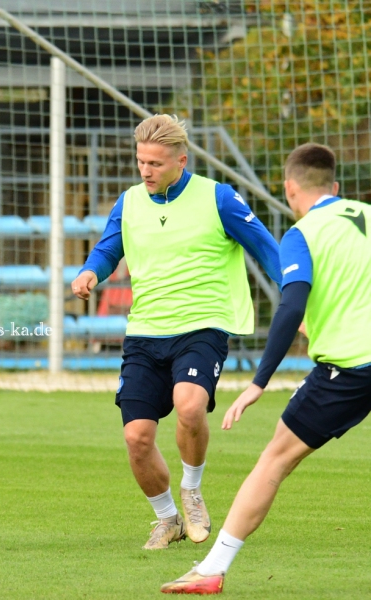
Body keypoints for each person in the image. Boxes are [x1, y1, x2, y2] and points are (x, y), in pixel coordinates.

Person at [162, 143, 371, 594]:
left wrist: (259, 381)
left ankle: (212, 569)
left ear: (289, 187)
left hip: (351, 368)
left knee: (275, 459)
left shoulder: (303, 232)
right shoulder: (367, 217)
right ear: (335, 186)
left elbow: (292, 302)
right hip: (355, 360)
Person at [71, 114, 281, 550]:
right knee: (136, 437)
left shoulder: (218, 198)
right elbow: (112, 244)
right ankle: (167, 519)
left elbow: (268, 249)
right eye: (141, 162)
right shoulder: (129, 201)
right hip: (146, 330)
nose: (146, 171)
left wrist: (296, 300)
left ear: (181, 160)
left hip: (202, 325)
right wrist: (92, 271)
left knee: (190, 407)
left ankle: (192, 488)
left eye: (156, 164)